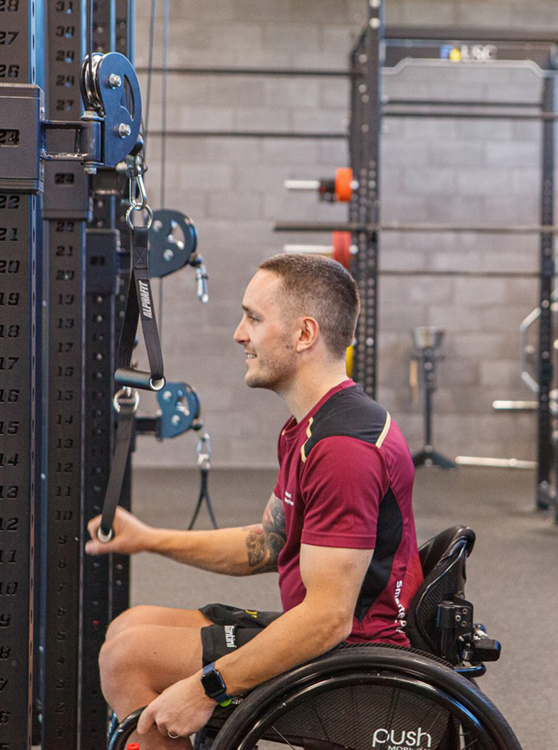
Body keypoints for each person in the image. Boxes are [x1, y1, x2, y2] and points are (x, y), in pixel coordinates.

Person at [86, 253, 422, 746]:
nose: (239, 334)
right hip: (327, 641)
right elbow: (269, 542)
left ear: (304, 334)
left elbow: (329, 619)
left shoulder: (342, 449)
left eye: (254, 318)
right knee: (130, 627)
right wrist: (149, 539)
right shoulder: (310, 428)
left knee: (128, 658)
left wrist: (207, 689)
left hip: (356, 668)